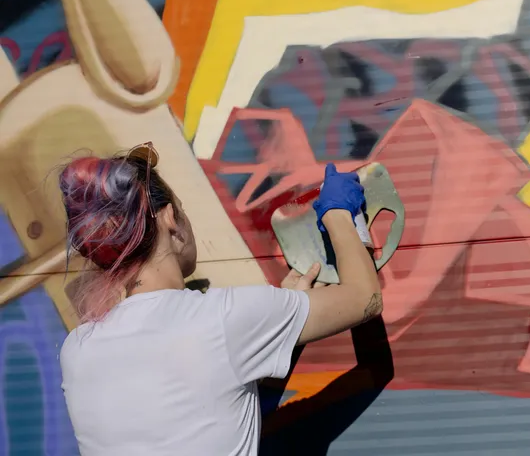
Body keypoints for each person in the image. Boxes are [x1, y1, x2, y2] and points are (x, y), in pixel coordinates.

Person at [58, 142, 382, 456]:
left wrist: (275, 331)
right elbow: (364, 298)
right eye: (182, 209)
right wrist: (337, 212)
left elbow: (203, 408)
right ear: (171, 218)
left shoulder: (77, 351)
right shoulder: (221, 319)